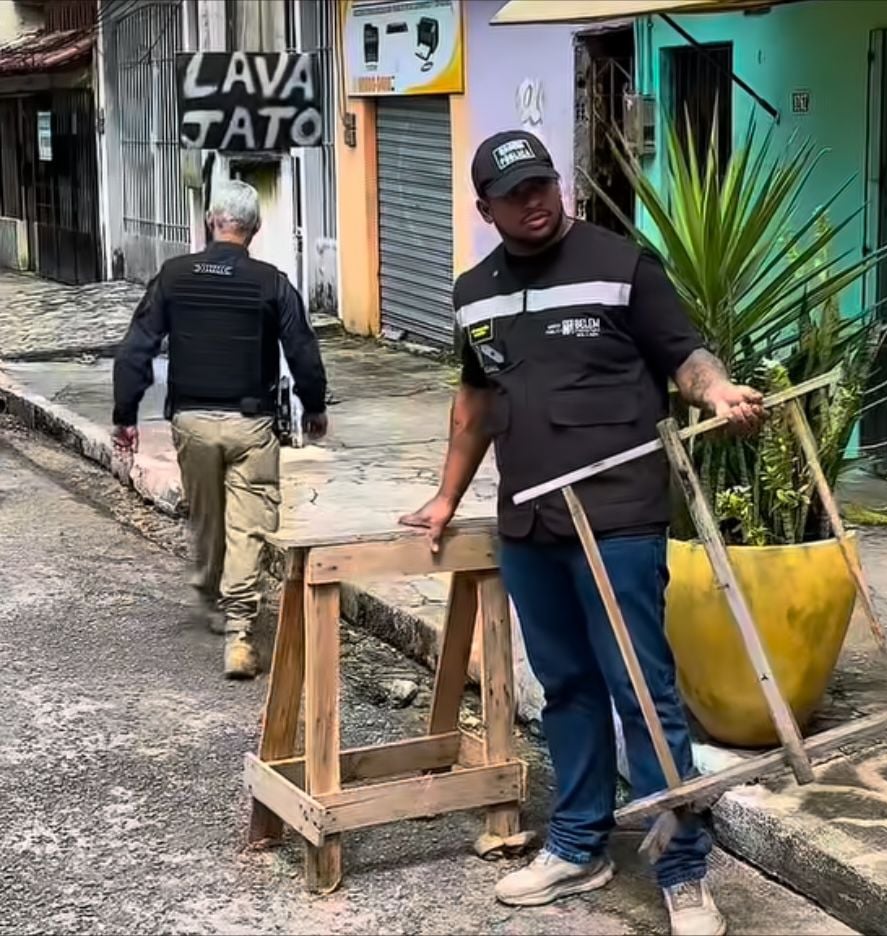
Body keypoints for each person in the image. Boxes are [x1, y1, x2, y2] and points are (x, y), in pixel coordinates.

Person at [401, 131, 763, 936]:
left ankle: (684, 871)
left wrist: (716, 393)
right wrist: (444, 496)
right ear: (484, 208)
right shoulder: (475, 292)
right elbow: (478, 405)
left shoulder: (619, 263)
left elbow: (687, 356)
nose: (535, 201)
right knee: (564, 687)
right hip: (529, 519)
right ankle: (577, 844)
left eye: (543, 184)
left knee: (642, 688)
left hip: (619, 516)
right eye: (515, 193)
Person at [112, 180, 328, 680]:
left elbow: (136, 348)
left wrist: (126, 415)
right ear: (254, 229)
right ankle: (239, 633)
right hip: (252, 425)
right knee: (248, 523)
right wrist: (313, 405)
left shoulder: (174, 275)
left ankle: (210, 594)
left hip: (192, 422)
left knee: (207, 516)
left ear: (212, 221)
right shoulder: (271, 282)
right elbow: (302, 349)